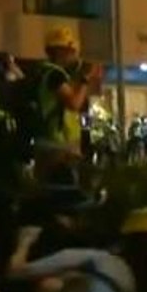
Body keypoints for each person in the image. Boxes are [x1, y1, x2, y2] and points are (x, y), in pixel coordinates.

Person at [31, 27, 102, 185]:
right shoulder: (54, 75)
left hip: (50, 144)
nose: (74, 55)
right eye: (71, 50)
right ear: (59, 51)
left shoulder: (44, 73)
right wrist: (85, 79)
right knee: (62, 194)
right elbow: (74, 104)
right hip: (58, 147)